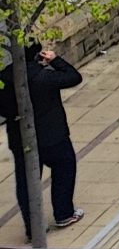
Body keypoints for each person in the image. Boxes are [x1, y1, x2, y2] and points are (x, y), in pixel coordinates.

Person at [0, 42, 83, 232]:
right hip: (53, 137)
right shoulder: (44, 76)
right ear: (37, 55)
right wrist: (56, 60)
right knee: (64, 167)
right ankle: (64, 213)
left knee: (26, 181)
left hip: (21, 139)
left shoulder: (4, 79)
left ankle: (33, 226)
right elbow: (74, 77)